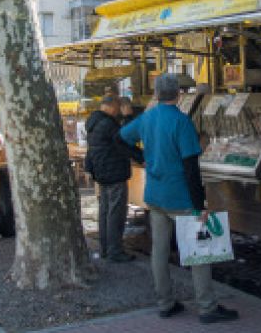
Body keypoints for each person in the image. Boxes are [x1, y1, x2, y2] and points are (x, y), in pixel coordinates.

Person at [119, 74, 238, 324]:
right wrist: (200, 205)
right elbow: (191, 168)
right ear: (179, 95)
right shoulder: (181, 122)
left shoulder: (147, 117)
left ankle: (165, 303)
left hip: (154, 195)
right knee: (199, 251)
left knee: (159, 251)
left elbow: (119, 138)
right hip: (180, 197)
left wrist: (141, 157)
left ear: (156, 93)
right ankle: (207, 307)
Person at [83, 96, 143, 263]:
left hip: (101, 172)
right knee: (116, 212)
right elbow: (125, 140)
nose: (118, 111)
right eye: (118, 107)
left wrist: (89, 168)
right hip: (114, 172)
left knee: (105, 211)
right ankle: (115, 250)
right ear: (112, 106)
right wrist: (142, 157)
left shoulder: (93, 122)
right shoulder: (108, 123)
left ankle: (105, 248)